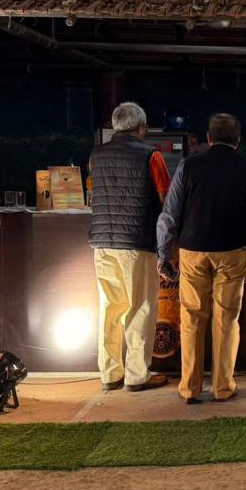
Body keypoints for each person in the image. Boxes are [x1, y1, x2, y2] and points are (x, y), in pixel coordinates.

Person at [157, 113, 246, 404]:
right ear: (238, 141)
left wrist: (164, 252)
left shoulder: (188, 165)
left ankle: (190, 388)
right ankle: (223, 387)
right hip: (233, 252)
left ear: (208, 138)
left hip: (193, 251)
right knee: (227, 319)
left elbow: (169, 214)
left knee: (192, 318)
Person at [87, 102, 170, 392]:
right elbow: (166, 199)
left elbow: (95, 191)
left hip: (102, 241)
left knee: (110, 308)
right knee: (140, 307)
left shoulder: (96, 155)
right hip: (136, 241)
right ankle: (137, 374)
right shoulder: (151, 155)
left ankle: (110, 373)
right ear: (142, 127)